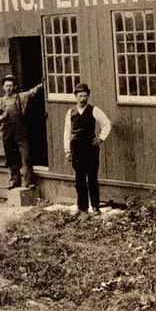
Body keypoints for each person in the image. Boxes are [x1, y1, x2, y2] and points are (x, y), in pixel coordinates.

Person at [63, 82, 113, 214]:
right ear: (75, 96)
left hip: (90, 148)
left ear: (88, 96)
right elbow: (67, 132)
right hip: (76, 148)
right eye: (80, 96)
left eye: (85, 96)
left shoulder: (94, 110)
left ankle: (95, 206)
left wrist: (101, 138)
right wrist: (67, 151)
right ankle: (82, 207)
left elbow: (107, 124)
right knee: (79, 178)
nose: (83, 98)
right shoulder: (70, 113)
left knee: (92, 177)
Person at [0, 74, 43, 189]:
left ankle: (29, 181)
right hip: (7, 132)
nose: (9, 88)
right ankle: (14, 181)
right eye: (7, 86)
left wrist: (42, 84)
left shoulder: (20, 97)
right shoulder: (0, 101)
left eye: (11, 85)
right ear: (3, 87)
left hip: (21, 132)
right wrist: (2, 117)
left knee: (26, 156)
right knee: (11, 158)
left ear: (14, 86)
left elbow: (32, 92)